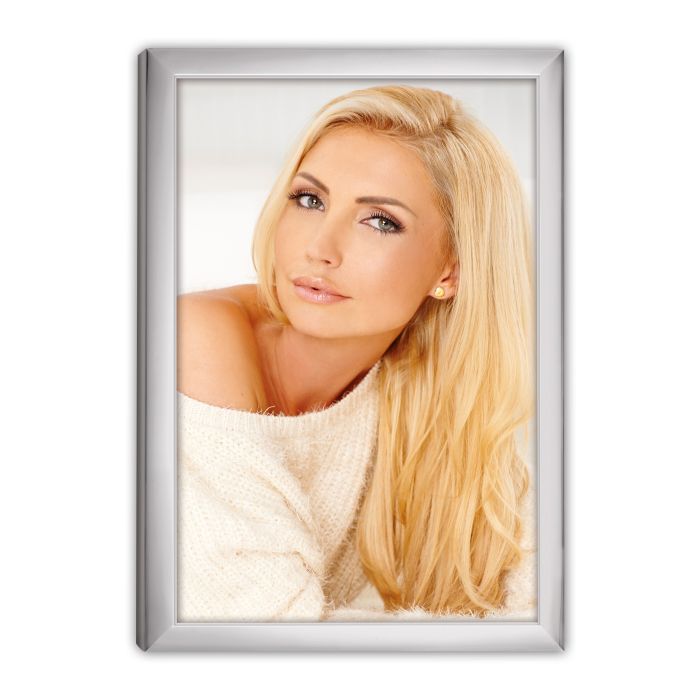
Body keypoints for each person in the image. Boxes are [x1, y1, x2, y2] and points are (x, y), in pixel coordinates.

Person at [176, 85, 536, 622]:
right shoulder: (194, 338)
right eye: (309, 200)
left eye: (380, 221)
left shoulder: (433, 398)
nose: (319, 248)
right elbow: (270, 630)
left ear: (451, 271)